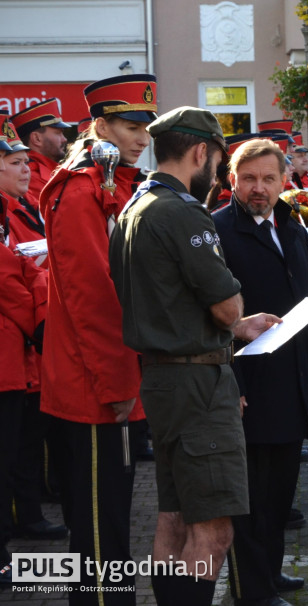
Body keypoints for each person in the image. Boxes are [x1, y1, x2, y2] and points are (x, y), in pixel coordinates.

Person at [109, 107, 279, 604]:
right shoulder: (182, 210)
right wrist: (237, 318)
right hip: (197, 386)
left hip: (163, 379)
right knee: (213, 533)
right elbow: (225, 305)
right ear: (202, 153)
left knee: (175, 517)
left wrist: (240, 327)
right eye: (218, 160)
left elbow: (161, 299)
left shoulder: (135, 206)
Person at [36, 73, 157, 603]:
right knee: (98, 536)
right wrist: (117, 382)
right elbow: (92, 299)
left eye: (146, 127)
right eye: (131, 125)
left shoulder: (115, 181)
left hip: (113, 378)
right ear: (99, 124)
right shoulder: (81, 188)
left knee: (112, 521)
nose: (142, 137)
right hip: (92, 386)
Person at [212, 138, 308, 606]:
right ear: (232, 181)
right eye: (249, 179)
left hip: (293, 377)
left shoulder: (293, 227)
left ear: (285, 182)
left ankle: (271, 573)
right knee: (252, 495)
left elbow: (307, 304)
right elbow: (210, 315)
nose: (259, 189)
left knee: (281, 488)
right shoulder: (217, 230)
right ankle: (251, 589)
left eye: (268, 179)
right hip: (248, 382)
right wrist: (230, 383)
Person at [0, 119, 67, 548]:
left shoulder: (20, 207)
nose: (26, 170)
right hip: (14, 342)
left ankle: (26, 519)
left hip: (20, 349)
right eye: (15, 162)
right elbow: (9, 277)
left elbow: (30, 271)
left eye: (27, 161)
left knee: (22, 446)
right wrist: (39, 318)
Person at [10, 98, 69, 205]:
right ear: (37, 138)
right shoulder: (30, 176)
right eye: (58, 133)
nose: (64, 139)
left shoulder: (50, 171)